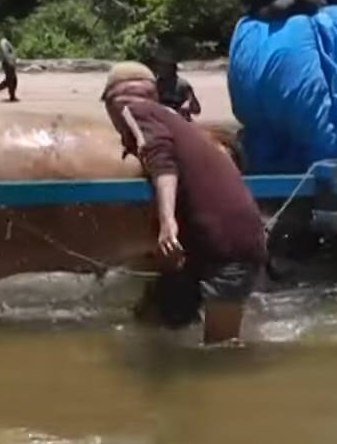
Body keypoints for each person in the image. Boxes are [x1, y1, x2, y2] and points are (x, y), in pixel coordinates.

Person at [101, 61, 266, 345]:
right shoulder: (170, 117)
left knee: (221, 349)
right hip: (199, 249)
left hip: (231, 247)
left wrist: (167, 224)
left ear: (110, 104)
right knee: (151, 319)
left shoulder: (134, 111)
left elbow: (162, 162)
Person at [151, 52, 202, 121]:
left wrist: (189, 105)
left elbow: (196, 110)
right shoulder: (155, 85)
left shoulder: (183, 85)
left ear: (172, 67)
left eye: (163, 66)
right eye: (158, 65)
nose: (158, 68)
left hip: (180, 121)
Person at [0, 37, 19, 102]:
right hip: (8, 62)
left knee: (12, 80)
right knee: (10, 80)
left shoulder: (6, 42)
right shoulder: (4, 42)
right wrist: (10, 62)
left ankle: (11, 96)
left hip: (9, 62)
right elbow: (5, 53)